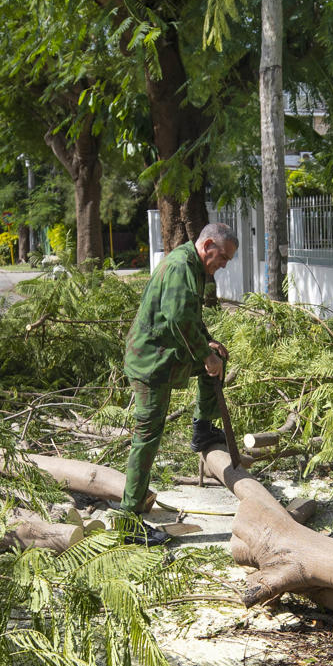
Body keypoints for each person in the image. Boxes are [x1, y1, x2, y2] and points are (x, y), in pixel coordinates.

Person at [117, 222, 240, 544]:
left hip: (164, 354)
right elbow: (176, 319)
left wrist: (210, 343)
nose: (224, 264)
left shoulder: (192, 265)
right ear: (208, 244)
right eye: (224, 256)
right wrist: (204, 355)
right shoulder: (181, 265)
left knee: (218, 360)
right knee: (147, 435)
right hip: (150, 362)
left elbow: (190, 315)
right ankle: (129, 520)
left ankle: (202, 429)